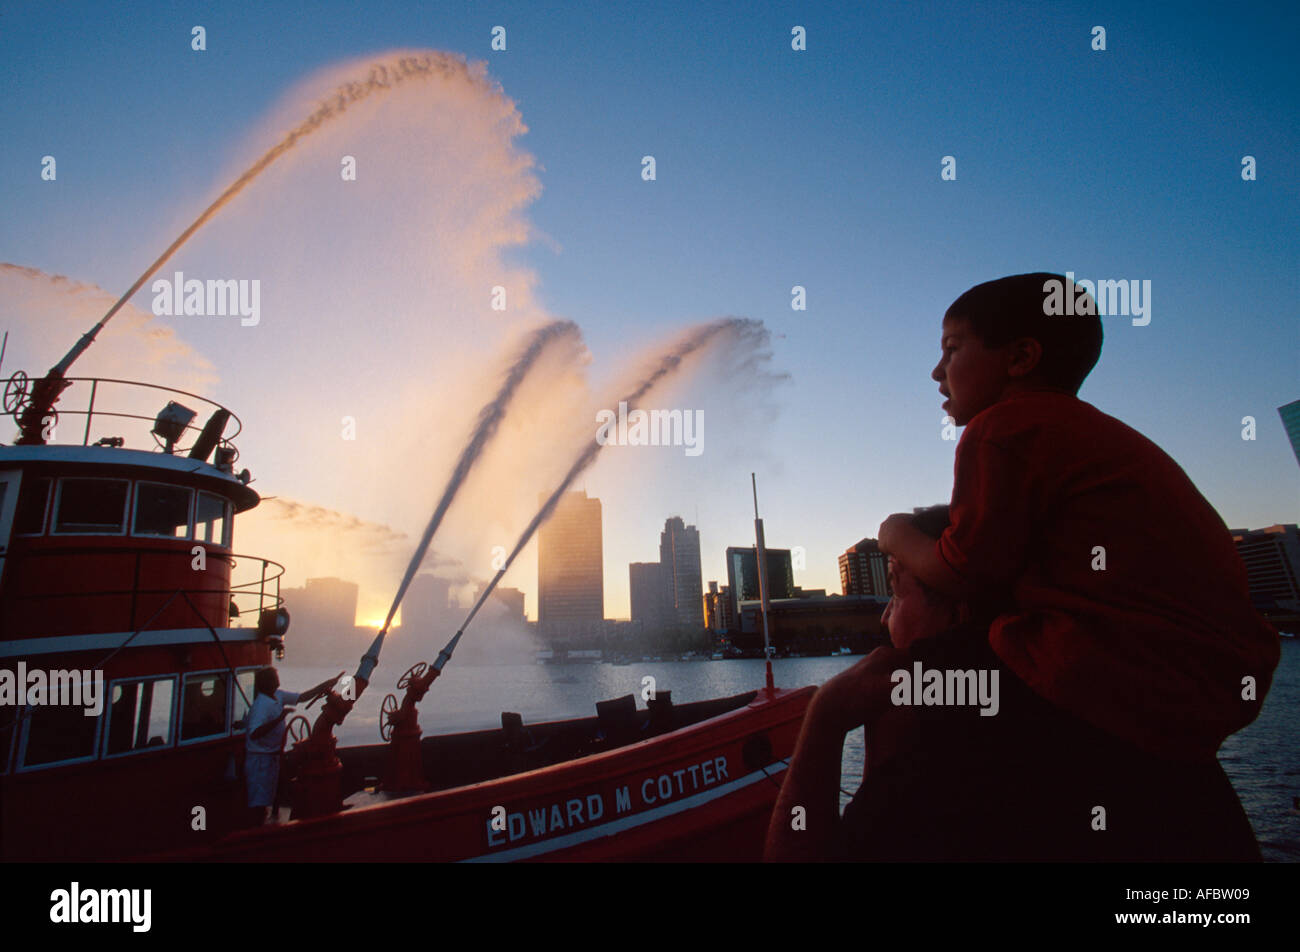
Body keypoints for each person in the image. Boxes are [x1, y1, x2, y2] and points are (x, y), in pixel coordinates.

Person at [873, 273, 1278, 856]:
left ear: (1021, 358)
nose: (937, 372)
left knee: (941, 677)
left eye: (951, 349)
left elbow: (965, 568)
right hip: (1202, 693)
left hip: (1109, 673)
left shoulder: (1002, 429)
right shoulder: (1095, 435)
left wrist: (896, 536)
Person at [245, 668, 340, 825]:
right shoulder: (260, 706)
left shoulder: (278, 695)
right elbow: (254, 733)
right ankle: (257, 831)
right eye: (274, 677)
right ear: (267, 682)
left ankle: (274, 822)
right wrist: (279, 718)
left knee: (274, 793)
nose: (278, 679)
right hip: (260, 761)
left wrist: (325, 685)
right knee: (259, 800)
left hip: (273, 755)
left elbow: (302, 697)